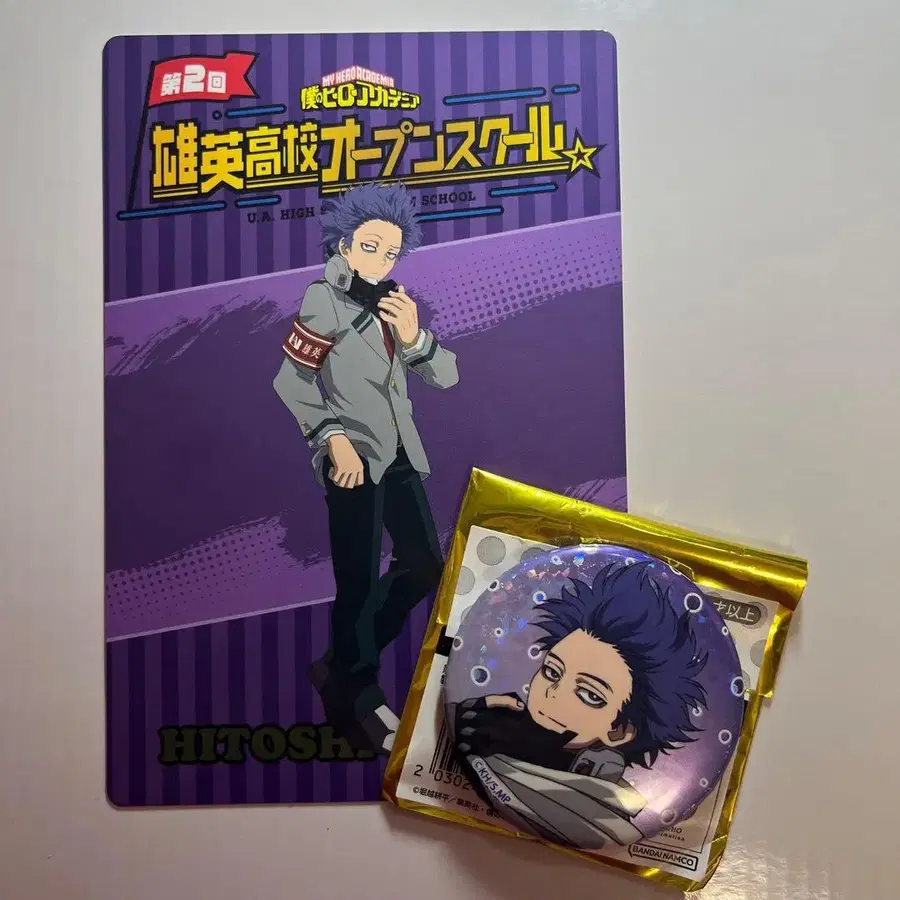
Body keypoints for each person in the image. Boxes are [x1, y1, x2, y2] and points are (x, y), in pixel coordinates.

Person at [274, 182, 459, 755]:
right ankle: (353, 697)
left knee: (425, 565)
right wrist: (332, 439)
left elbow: (447, 376)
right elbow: (291, 380)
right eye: (370, 247)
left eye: (391, 252)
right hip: (350, 460)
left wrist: (415, 337)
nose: (380, 261)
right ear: (345, 246)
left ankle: (340, 664)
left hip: (399, 452)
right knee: (356, 581)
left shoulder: (394, 303)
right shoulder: (322, 300)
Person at [452, 561, 708, 847]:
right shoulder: (490, 722)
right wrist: (462, 718)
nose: (554, 693)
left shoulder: (610, 809)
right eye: (552, 672)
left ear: (619, 731)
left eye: (589, 695)